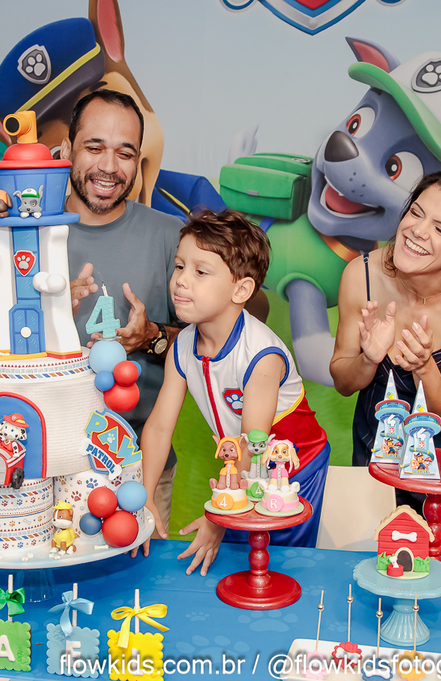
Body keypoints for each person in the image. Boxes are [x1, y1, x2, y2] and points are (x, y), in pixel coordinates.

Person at [0, 89, 183, 529]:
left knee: (135, 574)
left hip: (138, 468)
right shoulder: (19, 234)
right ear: (66, 151)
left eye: (125, 153)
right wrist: (44, 313)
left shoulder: (170, 235)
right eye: (94, 147)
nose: (109, 166)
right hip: (30, 467)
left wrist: (152, 337)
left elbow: (205, 348)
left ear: (138, 161)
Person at [140, 210, 329, 575]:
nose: (181, 281)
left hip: (292, 469)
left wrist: (218, 517)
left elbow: (254, 443)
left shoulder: (261, 355)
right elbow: (160, 426)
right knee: (237, 565)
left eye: (200, 272)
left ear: (241, 290)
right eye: (179, 266)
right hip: (242, 466)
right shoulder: (182, 346)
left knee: (278, 566)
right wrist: (145, 496)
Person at [329, 171, 441, 561]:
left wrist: (425, 368)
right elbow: (342, 379)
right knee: (376, 570)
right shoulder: (362, 275)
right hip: (377, 459)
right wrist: (368, 358)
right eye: (416, 213)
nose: (417, 231)